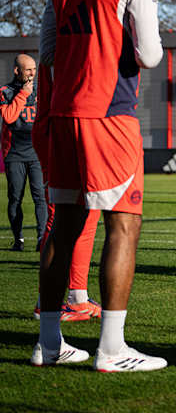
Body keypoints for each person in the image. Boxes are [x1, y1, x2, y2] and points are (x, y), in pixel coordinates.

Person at [35, 0, 166, 370]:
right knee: (123, 225)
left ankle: (50, 344)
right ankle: (111, 349)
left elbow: (47, 50)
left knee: (63, 227)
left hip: (64, 113)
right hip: (110, 113)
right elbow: (150, 55)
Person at [32, 61, 102, 322]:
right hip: (66, 130)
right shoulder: (69, 43)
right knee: (65, 217)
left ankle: (75, 298)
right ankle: (53, 301)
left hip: (65, 130)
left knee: (81, 215)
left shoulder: (63, 38)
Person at [1, 54, 46, 251]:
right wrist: (23, 95)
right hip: (14, 154)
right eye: (28, 69)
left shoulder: (42, 90)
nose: (32, 73)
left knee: (40, 197)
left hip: (37, 152)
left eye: (34, 69)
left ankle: (41, 240)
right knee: (15, 198)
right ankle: (18, 239)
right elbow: (9, 117)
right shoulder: (5, 91)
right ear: (17, 71)